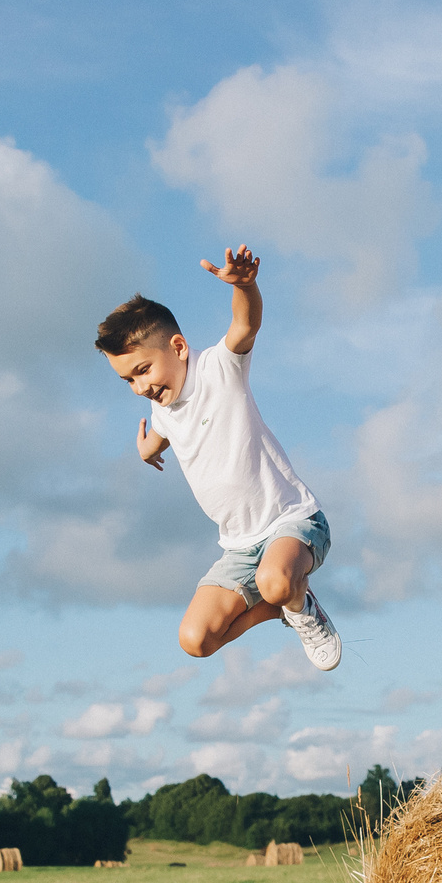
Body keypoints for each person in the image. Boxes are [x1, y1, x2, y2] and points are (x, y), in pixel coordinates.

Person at [95, 246, 342, 670]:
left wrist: (245, 286)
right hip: (240, 548)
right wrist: (145, 450)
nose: (139, 387)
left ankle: (300, 606)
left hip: (292, 523)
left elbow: (245, 325)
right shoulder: (162, 409)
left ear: (177, 346)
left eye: (143, 370)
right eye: (127, 381)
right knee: (196, 640)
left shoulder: (218, 369)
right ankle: (281, 604)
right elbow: (160, 436)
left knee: (274, 579)